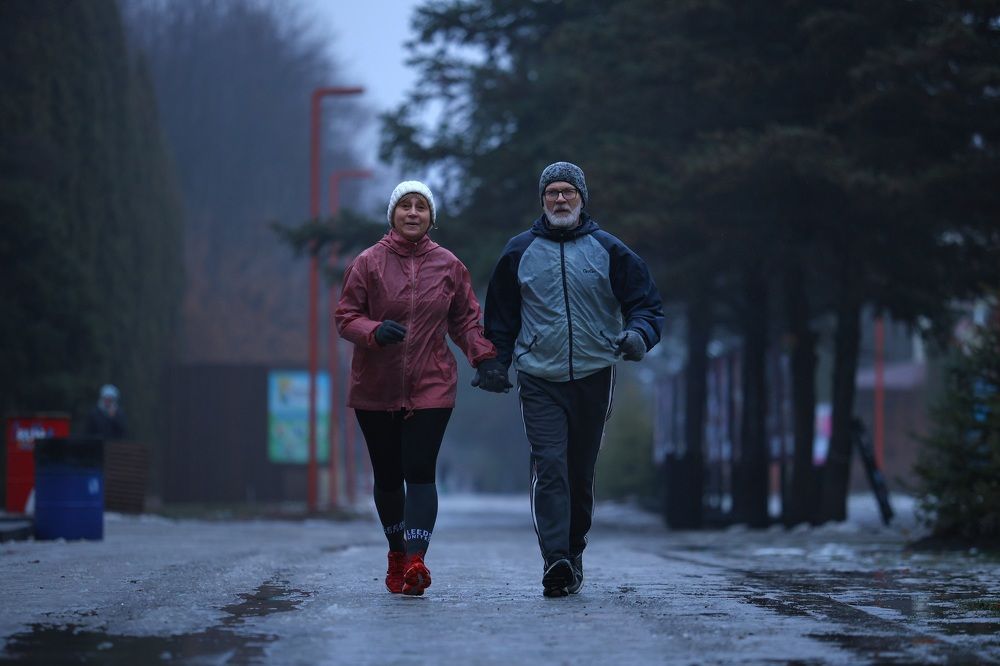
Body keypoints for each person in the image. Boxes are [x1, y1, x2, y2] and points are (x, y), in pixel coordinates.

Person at [476, 161, 664, 597]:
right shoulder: (518, 251)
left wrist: (638, 336)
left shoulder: (610, 250)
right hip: (539, 376)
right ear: (541, 200)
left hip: (596, 374)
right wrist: (493, 363)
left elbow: (647, 306)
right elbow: (500, 319)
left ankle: (574, 551)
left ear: (582, 198)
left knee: (580, 473)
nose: (560, 199)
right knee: (551, 466)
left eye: (568, 192)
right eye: (552, 193)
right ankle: (555, 559)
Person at [335, 180, 503, 596]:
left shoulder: (449, 265)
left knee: (420, 472)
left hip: (432, 384)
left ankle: (416, 561)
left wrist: (484, 359)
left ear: (431, 218)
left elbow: (465, 319)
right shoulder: (369, 262)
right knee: (389, 477)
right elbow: (345, 316)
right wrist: (374, 331)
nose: (413, 213)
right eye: (405, 206)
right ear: (393, 214)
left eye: (421, 207)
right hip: (376, 385)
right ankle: (396, 553)